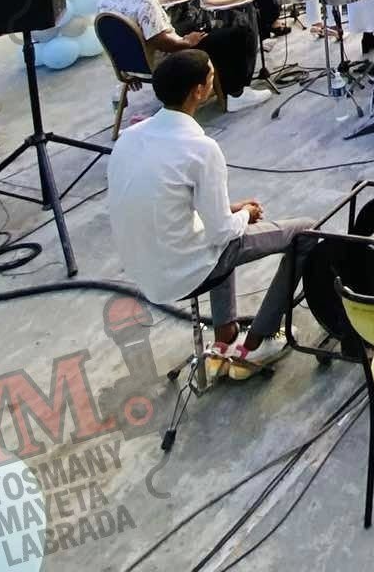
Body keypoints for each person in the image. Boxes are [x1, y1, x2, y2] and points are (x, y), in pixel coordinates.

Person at [106, 51, 312, 379]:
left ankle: (225, 335)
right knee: (306, 232)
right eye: (211, 78)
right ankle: (256, 341)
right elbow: (221, 233)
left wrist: (231, 212)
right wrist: (243, 213)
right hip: (185, 271)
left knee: (221, 229)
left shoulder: (129, 138)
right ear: (198, 91)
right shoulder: (200, 148)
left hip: (146, 272)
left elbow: (164, 201)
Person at [99, 0, 270, 111]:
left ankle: (218, 81)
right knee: (239, 34)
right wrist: (188, 42)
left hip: (133, 65)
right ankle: (236, 93)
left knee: (194, 26)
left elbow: (120, 35)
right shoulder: (144, 0)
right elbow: (161, 42)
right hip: (163, 59)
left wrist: (131, 66)